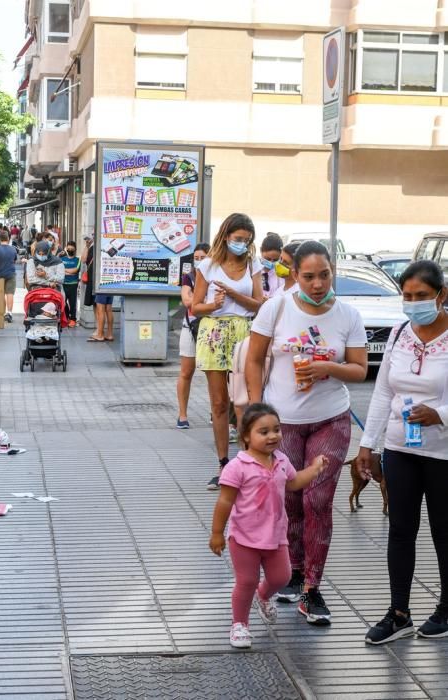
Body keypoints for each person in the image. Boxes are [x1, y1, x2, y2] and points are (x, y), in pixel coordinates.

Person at [245, 240, 368, 624]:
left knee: (317, 500)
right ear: (295, 275)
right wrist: (255, 409)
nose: (318, 284)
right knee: (289, 501)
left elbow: (360, 369)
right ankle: (293, 571)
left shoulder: (348, 314)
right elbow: (253, 358)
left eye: (325, 275)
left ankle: (313, 588)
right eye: (309, 276)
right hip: (283, 424)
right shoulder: (276, 307)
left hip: (331, 418)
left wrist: (327, 368)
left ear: (334, 272)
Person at [356, 260, 448, 645]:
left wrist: (439, 414)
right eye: (407, 296)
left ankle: (446, 608)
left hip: (443, 454)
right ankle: (399, 614)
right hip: (400, 447)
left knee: (444, 532)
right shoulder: (398, 333)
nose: (413, 304)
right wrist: (367, 444)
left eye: (422, 297)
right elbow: (383, 393)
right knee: (400, 530)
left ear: (442, 296)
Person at [209, 403, 329, 648]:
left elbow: (294, 483)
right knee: (246, 581)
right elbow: (225, 501)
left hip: (275, 535)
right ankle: (239, 624)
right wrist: (217, 533)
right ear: (245, 436)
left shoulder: (282, 460)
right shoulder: (237, 467)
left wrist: (315, 469)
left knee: (281, 577)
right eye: (263, 432)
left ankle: (263, 596)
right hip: (244, 538)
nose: (273, 436)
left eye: (276, 429)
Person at [191, 213, 264, 490]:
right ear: (225, 237)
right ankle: (223, 464)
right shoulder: (208, 265)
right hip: (213, 332)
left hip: (244, 332)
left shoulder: (252, 264)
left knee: (243, 402)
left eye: (247, 240)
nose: (242, 245)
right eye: (238, 239)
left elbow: (259, 304)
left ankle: (249, 461)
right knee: (219, 403)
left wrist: (233, 294)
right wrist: (213, 305)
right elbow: (195, 306)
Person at [176, 242, 210, 428]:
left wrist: (200, 303)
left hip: (212, 328)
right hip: (191, 326)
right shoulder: (189, 277)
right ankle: (182, 415)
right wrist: (207, 302)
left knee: (214, 374)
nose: (198, 262)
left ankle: (216, 412)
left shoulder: (216, 277)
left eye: (202, 258)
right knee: (186, 371)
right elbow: (187, 300)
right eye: (196, 258)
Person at [62, 241, 80, 327]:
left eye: (71, 249)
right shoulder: (62, 259)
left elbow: (75, 270)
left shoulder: (77, 260)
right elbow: (60, 270)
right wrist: (70, 272)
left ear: (75, 249)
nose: (70, 250)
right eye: (68, 248)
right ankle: (67, 317)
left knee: (73, 303)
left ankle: (73, 319)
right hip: (63, 284)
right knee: (63, 302)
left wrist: (65, 271)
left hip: (73, 284)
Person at [259, 234, 283, 299]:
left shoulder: (282, 273)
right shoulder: (253, 269)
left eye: (275, 260)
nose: (271, 262)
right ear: (261, 250)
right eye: (268, 259)